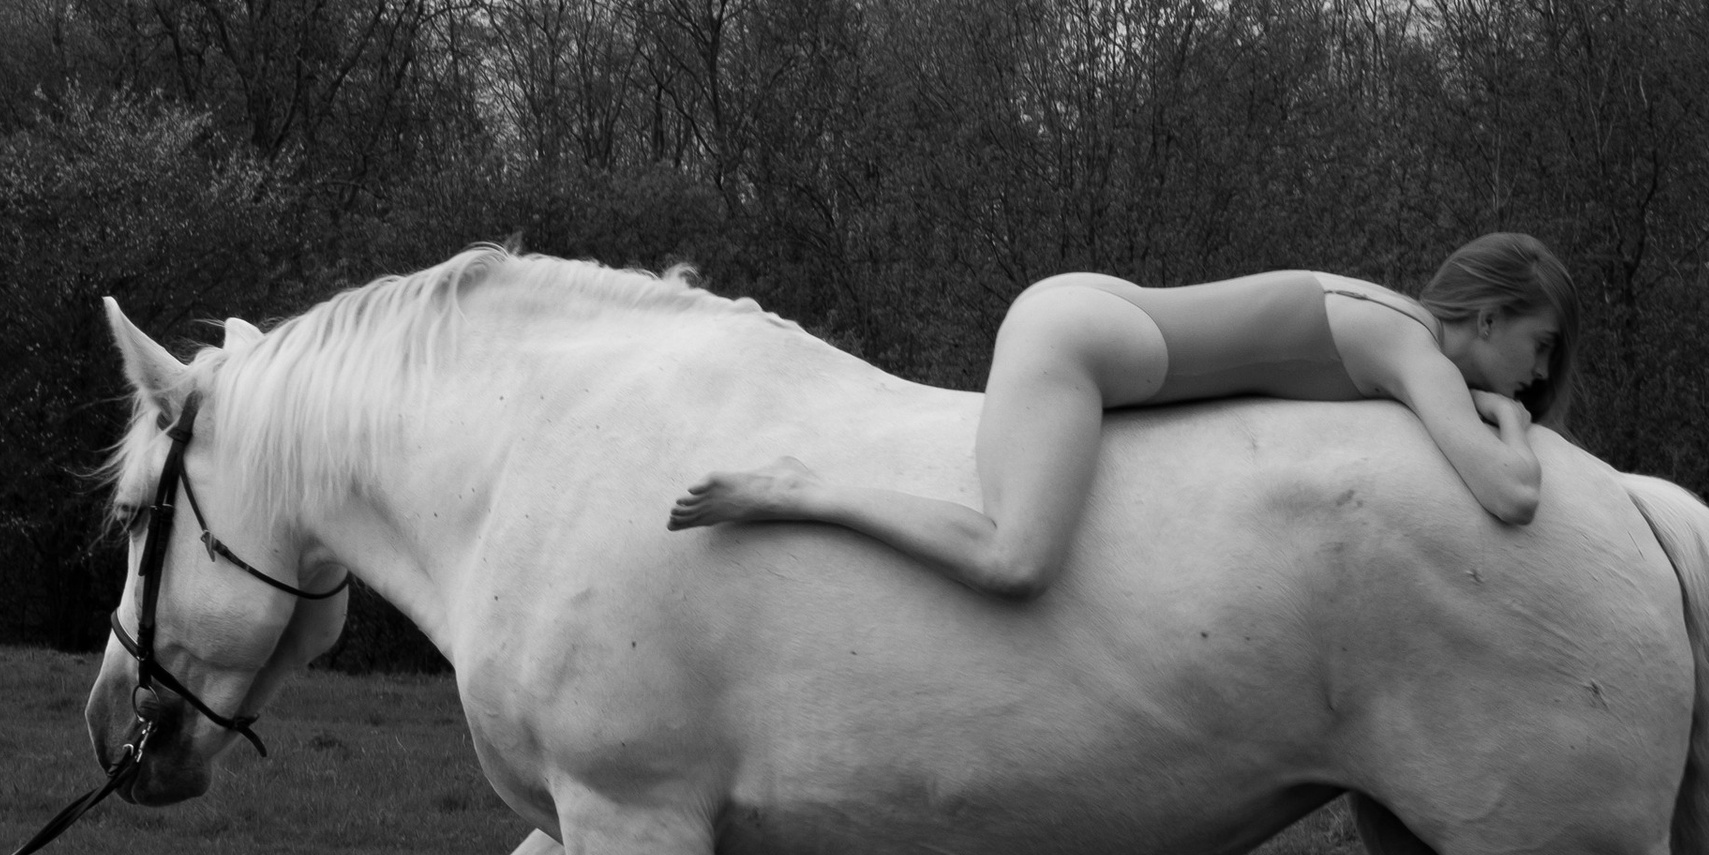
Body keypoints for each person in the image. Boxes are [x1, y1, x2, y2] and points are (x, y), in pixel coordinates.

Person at [667, 232, 1579, 601]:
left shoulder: (1401, 331)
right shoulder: (1413, 349)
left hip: (1099, 311)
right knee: (1015, 560)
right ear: (1489, 318)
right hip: (1080, 344)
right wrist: (1504, 419)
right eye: (1538, 349)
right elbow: (1509, 495)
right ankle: (801, 492)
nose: (1537, 378)